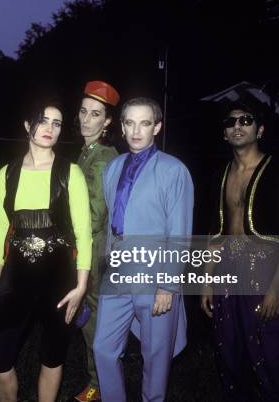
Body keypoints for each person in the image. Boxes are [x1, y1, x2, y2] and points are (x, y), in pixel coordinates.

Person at [0, 98, 92, 402]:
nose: (50, 128)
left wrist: (81, 286)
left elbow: (83, 233)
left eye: (57, 123)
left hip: (59, 281)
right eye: (43, 120)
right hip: (16, 280)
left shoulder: (70, 172)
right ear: (27, 126)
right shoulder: (7, 173)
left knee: (52, 356)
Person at [94, 97, 193, 402]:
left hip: (156, 276)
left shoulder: (174, 170)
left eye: (145, 123)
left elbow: (180, 231)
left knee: (156, 356)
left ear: (157, 127)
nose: (136, 130)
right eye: (130, 123)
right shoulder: (112, 168)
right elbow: (113, 221)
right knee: (103, 347)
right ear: (122, 127)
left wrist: (169, 285)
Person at [201, 100, 279, 401]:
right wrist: (206, 280)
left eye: (246, 120)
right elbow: (214, 234)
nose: (238, 126)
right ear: (224, 134)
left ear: (260, 129)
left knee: (270, 355)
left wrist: (276, 289)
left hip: (266, 270)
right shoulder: (219, 176)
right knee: (228, 352)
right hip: (228, 272)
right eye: (231, 122)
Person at [73, 80, 119, 402]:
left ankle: (98, 386)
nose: (86, 119)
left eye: (95, 114)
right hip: (87, 249)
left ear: (107, 122)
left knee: (94, 323)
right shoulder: (87, 151)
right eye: (83, 111)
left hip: (95, 252)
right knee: (89, 320)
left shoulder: (102, 155)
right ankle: (97, 379)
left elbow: (94, 216)